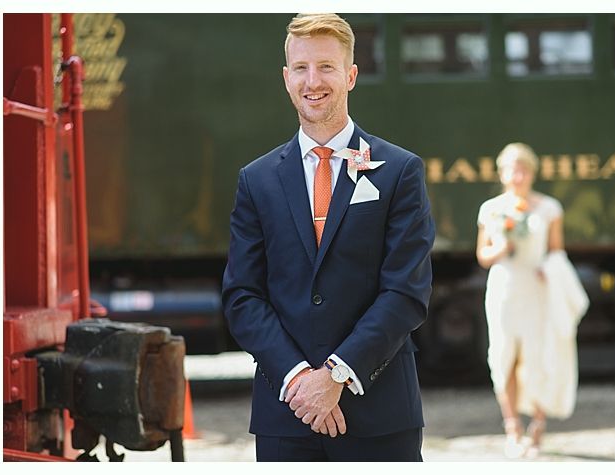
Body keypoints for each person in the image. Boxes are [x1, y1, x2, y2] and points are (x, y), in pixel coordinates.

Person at [221, 13, 434, 461]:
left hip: (379, 415)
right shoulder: (255, 180)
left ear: (351, 75)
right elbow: (242, 295)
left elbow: (406, 292)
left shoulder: (399, 171)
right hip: (287, 414)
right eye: (301, 68)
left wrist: (335, 375)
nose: (312, 81)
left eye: (326, 67)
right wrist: (299, 379)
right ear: (286, 78)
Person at [475, 143, 588, 458]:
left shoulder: (549, 208)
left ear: (532, 174)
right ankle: (512, 428)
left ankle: (537, 428)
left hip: (538, 289)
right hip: (505, 289)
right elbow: (483, 256)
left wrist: (549, 270)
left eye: (523, 170)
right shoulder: (491, 209)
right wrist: (501, 248)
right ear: (502, 174)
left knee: (538, 357)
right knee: (504, 356)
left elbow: (556, 252)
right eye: (512, 170)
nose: (518, 176)